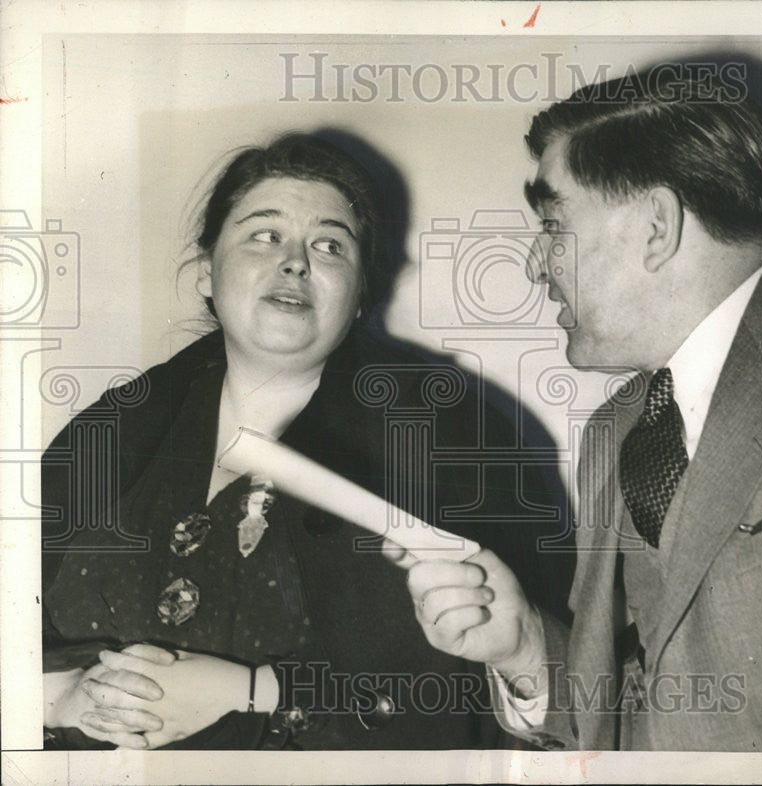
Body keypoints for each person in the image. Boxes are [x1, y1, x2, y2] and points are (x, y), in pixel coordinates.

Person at [389, 66, 762, 752]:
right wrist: (526, 650)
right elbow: (643, 720)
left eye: (553, 223)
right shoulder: (615, 434)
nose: (536, 266)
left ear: (656, 226)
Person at [41, 132, 572, 750]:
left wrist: (251, 690)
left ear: (356, 299)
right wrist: (62, 696)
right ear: (206, 273)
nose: (295, 261)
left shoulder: (447, 435)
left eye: (329, 245)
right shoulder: (109, 433)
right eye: (264, 235)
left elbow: (488, 679)